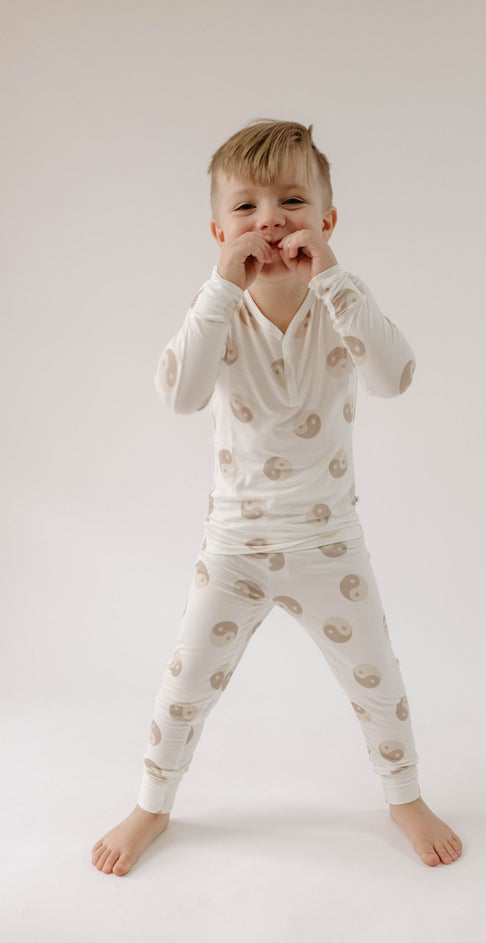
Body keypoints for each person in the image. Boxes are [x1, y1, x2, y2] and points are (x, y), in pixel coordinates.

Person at [91, 118, 463, 876]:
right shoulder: (218, 311)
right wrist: (220, 287)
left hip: (330, 545)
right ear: (218, 230)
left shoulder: (339, 301)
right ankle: (151, 804)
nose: (270, 220)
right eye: (246, 208)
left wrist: (334, 277)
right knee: (185, 683)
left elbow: (393, 376)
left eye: (291, 201)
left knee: (377, 679)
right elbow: (182, 396)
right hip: (234, 548)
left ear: (325, 222)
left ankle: (402, 794)